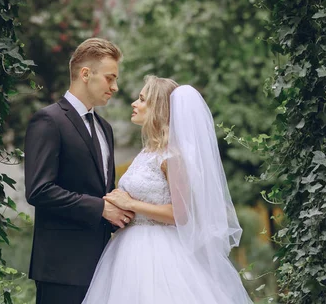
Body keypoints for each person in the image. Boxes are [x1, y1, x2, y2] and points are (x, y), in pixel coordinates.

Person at [83, 76, 253, 304]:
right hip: (127, 250)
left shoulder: (172, 157)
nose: (134, 103)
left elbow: (180, 215)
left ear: (159, 109)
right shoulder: (148, 152)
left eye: (142, 99)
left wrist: (130, 204)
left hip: (160, 252)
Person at [24, 38, 135, 304]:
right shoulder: (48, 121)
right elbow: (39, 190)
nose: (115, 87)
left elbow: (102, 190)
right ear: (86, 74)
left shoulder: (105, 128)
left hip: (102, 265)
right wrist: (100, 208)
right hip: (60, 269)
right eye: (110, 78)